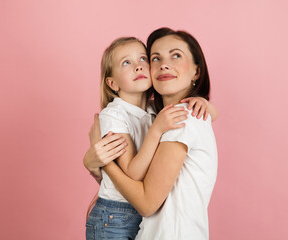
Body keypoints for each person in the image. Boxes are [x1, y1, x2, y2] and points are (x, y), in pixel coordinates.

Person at [84, 35, 217, 240]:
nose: (163, 65)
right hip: (116, 215)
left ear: (197, 71)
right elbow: (135, 174)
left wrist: (104, 164)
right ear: (112, 82)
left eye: (176, 56)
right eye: (155, 58)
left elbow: (144, 200)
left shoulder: (171, 116)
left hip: (136, 216)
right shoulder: (132, 114)